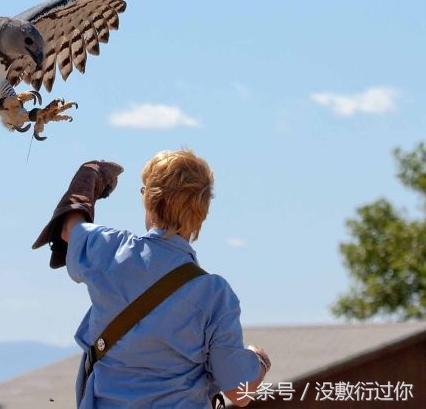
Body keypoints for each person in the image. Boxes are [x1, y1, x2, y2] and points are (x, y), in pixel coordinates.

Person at [33, 150, 271, 408]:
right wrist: (258, 362)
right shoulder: (215, 294)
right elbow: (239, 392)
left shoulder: (110, 250)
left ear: (149, 200)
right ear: (202, 211)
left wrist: (89, 178)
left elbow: (70, 228)